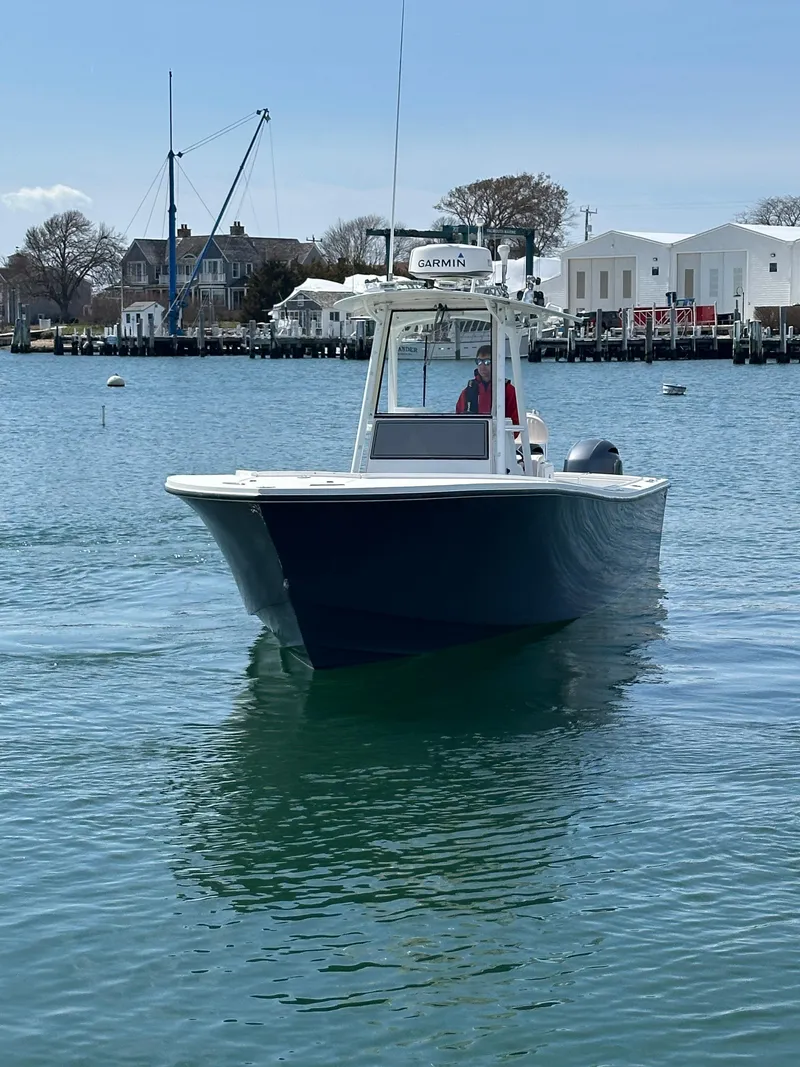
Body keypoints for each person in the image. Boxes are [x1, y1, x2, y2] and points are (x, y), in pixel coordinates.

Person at [455, 345, 520, 424]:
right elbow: (458, 420)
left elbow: (515, 423)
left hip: (499, 435)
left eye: (487, 362)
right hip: (473, 434)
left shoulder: (508, 390)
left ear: (496, 363)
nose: (482, 366)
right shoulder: (467, 391)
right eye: (479, 362)